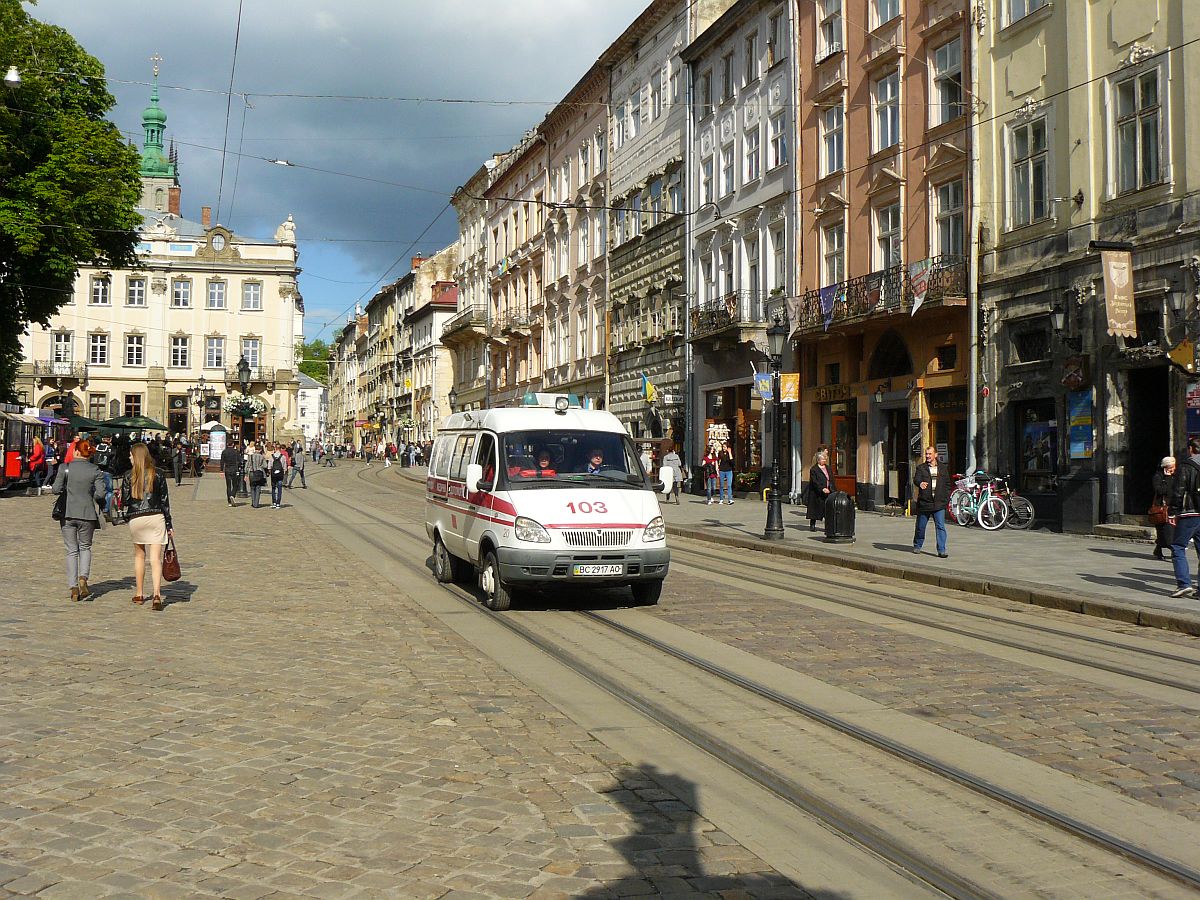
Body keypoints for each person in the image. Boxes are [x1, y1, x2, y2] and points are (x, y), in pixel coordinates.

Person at [51, 439, 108, 602]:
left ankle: (73, 586)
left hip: (68, 513)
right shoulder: (95, 469)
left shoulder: (64, 468)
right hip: (87, 513)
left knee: (71, 550)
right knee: (85, 547)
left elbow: (55, 489)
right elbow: (101, 494)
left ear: (76, 451)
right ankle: (83, 578)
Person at [120, 442, 174, 611]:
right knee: (155, 559)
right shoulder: (158, 474)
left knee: (139, 556)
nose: (129, 457)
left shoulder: (129, 476)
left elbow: (126, 501)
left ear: (136, 457)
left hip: (137, 518)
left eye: (131, 455)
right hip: (156, 516)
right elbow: (165, 501)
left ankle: (139, 593)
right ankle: (157, 594)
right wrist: (169, 523)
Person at [1168, 441, 1200, 597]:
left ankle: (1184, 584)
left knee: (1178, 547)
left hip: (1189, 512)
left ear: (1190, 449)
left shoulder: (1186, 466)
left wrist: (1172, 512)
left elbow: (1178, 491)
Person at [912, 446, 950, 558]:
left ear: (936, 455)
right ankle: (918, 545)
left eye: (930, 454)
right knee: (921, 526)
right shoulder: (921, 468)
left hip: (939, 503)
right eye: (926, 454)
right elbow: (916, 479)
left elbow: (947, 484)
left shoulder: (943, 468)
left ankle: (941, 550)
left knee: (940, 526)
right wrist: (920, 483)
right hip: (925, 503)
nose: (928, 456)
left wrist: (945, 498)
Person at [1152, 457, 1176, 561]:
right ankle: (1174, 551)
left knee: (1168, 531)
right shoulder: (1158, 477)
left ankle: (1159, 548)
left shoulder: (1175, 476)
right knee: (1165, 531)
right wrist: (1167, 478)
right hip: (1162, 508)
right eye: (1172, 466)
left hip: (1173, 507)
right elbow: (1160, 490)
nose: (1174, 468)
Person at [806, 448, 833, 532]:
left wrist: (832, 489)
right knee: (815, 510)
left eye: (825, 458)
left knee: (827, 510)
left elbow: (831, 479)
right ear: (818, 460)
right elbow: (814, 481)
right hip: (817, 493)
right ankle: (812, 525)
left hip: (828, 491)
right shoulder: (814, 469)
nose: (824, 460)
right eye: (822, 459)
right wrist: (822, 488)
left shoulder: (828, 468)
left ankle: (828, 526)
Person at [220, 440, 242, 506]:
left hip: (227, 469)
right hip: (234, 469)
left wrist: (221, 470)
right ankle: (232, 495)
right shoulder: (236, 452)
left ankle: (229, 502)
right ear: (233, 444)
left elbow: (222, 461)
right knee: (235, 484)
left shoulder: (224, 452)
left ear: (227, 444)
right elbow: (240, 460)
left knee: (228, 485)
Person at [248, 443, 268, 508]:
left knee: (252, 487)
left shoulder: (250, 456)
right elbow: (265, 465)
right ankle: (256, 503)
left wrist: (246, 473)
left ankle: (253, 502)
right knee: (258, 488)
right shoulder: (262, 457)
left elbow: (247, 465)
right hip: (259, 472)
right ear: (260, 450)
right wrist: (260, 466)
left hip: (252, 472)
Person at [269, 443, 287, 508]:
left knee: (273, 488)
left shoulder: (272, 456)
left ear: (275, 448)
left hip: (273, 474)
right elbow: (285, 467)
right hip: (280, 474)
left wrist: (270, 472)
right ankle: (278, 503)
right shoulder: (283, 457)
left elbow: (269, 466)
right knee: (279, 489)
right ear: (280, 449)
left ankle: (274, 502)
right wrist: (284, 472)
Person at [717, 441, 735, 505]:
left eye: (725, 447)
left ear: (728, 447)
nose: (724, 448)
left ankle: (730, 499)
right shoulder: (720, 453)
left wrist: (729, 453)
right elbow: (718, 461)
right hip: (722, 470)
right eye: (723, 447)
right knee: (721, 485)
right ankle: (721, 499)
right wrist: (718, 469)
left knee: (729, 485)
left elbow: (732, 462)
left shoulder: (731, 453)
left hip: (729, 471)